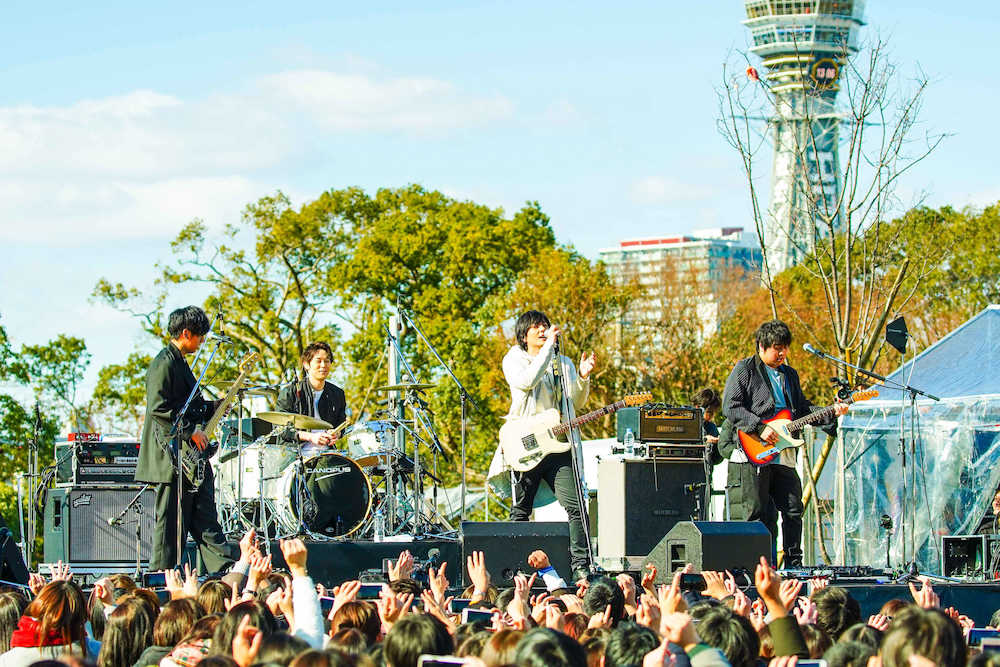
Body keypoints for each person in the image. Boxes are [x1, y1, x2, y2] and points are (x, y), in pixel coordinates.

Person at [720, 319, 847, 567]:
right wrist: (759, 427)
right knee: (755, 513)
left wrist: (831, 411)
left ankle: (793, 562)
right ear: (761, 346)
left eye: (785, 347)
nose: (782, 353)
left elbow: (802, 410)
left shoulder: (790, 375)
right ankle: (754, 565)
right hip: (754, 449)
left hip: (785, 452)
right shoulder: (745, 369)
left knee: (792, 508)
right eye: (777, 347)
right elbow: (731, 406)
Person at [493, 310, 596, 583]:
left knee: (577, 507)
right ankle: (516, 568)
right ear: (524, 334)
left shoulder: (563, 362)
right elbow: (526, 382)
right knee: (521, 510)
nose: (543, 330)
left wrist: (582, 378)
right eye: (536, 327)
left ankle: (581, 567)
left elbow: (575, 401)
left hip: (558, 446)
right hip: (526, 445)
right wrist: (549, 347)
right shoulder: (514, 358)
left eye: (545, 326)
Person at [135, 305, 236, 573]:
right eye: (200, 336)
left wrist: (215, 406)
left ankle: (224, 572)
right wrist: (191, 430)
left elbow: (188, 405)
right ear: (186, 333)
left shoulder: (179, 363)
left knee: (204, 515)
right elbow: (158, 407)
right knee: (170, 524)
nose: (202, 341)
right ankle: (162, 578)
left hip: (191, 459)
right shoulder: (164, 362)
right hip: (171, 457)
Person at [275, 342, 348, 447]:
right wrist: (310, 437)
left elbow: (341, 424)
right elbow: (280, 429)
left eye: (327, 361)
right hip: (295, 455)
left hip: (326, 455)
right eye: (318, 361)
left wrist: (337, 433)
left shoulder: (337, 394)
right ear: (306, 364)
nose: (323, 365)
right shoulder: (290, 393)